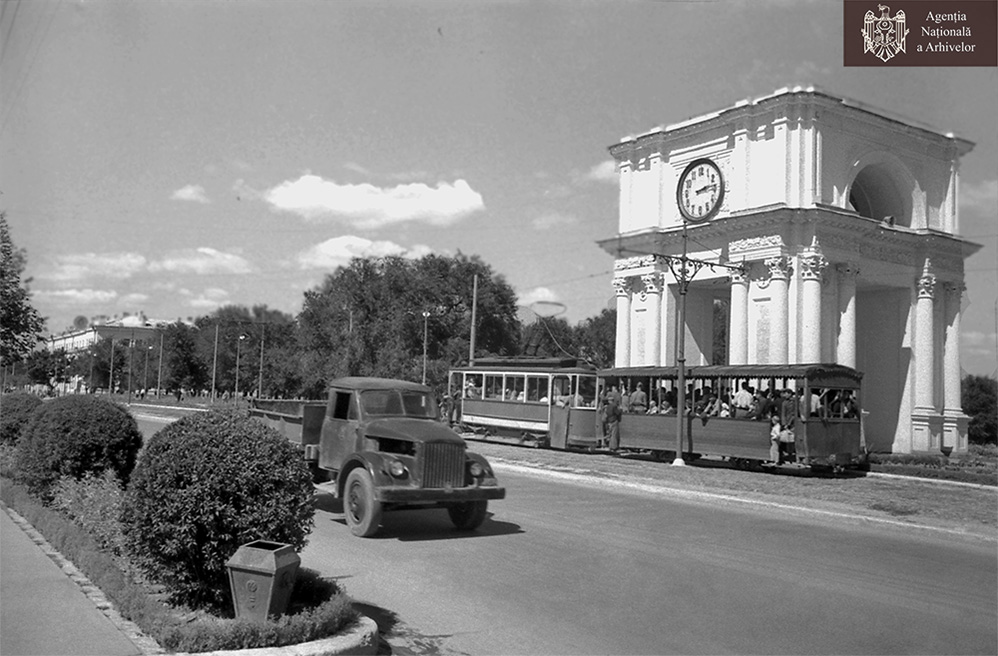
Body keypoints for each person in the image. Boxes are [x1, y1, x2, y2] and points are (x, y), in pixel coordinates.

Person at [604, 384, 622, 451]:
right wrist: (620, 410)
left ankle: (610, 446)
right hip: (614, 420)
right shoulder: (614, 406)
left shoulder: (607, 407)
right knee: (614, 434)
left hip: (609, 421)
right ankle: (614, 447)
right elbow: (617, 413)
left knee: (610, 434)